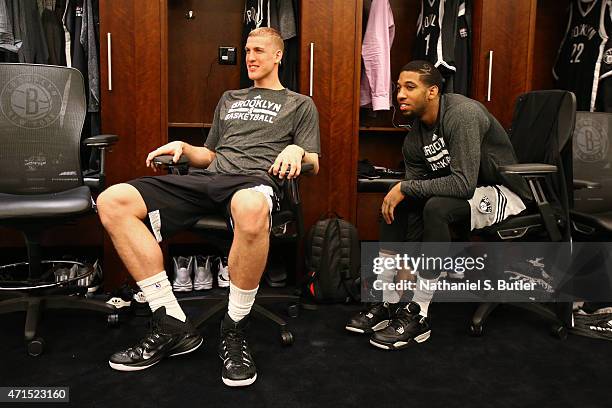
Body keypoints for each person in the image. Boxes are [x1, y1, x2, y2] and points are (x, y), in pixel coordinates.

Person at [96, 27, 320, 386]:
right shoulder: (230, 97)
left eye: (259, 50)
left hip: (252, 182)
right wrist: (185, 148)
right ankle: (170, 320)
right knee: (112, 200)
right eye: (247, 50)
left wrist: (297, 150)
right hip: (209, 180)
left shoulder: (299, 104)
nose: (250, 56)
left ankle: (234, 327)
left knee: (250, 206)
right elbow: (211, 154)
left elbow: (313, 162)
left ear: (279, 56)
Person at [345, 60, 530, 350]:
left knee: (435, 207)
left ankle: (420, 312)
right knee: (399, 205)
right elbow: (417, 197)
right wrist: (407, 265)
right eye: (398, 89)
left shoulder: (462, 115)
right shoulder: (414, 138)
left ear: (432, 92)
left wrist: (405, 187)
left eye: (409, 87)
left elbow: (463, 184)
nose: (400, 95)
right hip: (462, 196)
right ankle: (389, 303)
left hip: (504, 192)